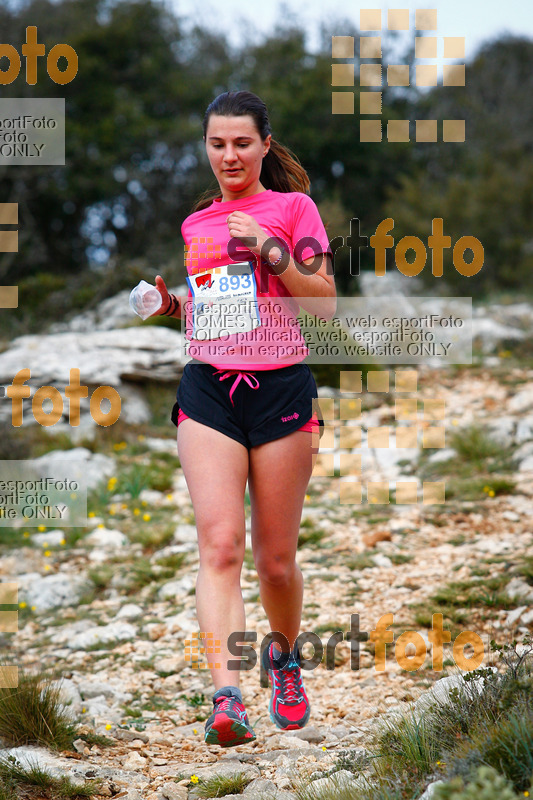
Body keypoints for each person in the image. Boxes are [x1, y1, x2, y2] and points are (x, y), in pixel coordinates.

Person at [151, 90, 336, 748]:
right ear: (206, 147)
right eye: (216, 144)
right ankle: (225, 694)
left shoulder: (293, 209)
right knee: (219, 546)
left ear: (262, 144)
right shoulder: (196, 224)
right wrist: (169, 304)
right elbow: (214, 310)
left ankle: (283, 660)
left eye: (240, 143)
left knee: (275, 563)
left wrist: (268, 248)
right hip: (208, 390)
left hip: (280, 389)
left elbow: (323, 306)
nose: (228, 155)